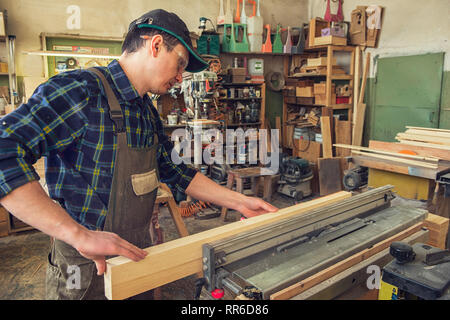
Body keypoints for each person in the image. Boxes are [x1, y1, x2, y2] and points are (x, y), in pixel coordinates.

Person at [0, 9, 277, 300]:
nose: (181, 78)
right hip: (81, 269)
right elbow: (4, 151)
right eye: (180, 64)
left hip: (134, 258)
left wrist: (241, 202)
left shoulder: (146, 110)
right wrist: (76, 234)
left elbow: (176, 170)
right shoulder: (80, 90)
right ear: (155, 45)